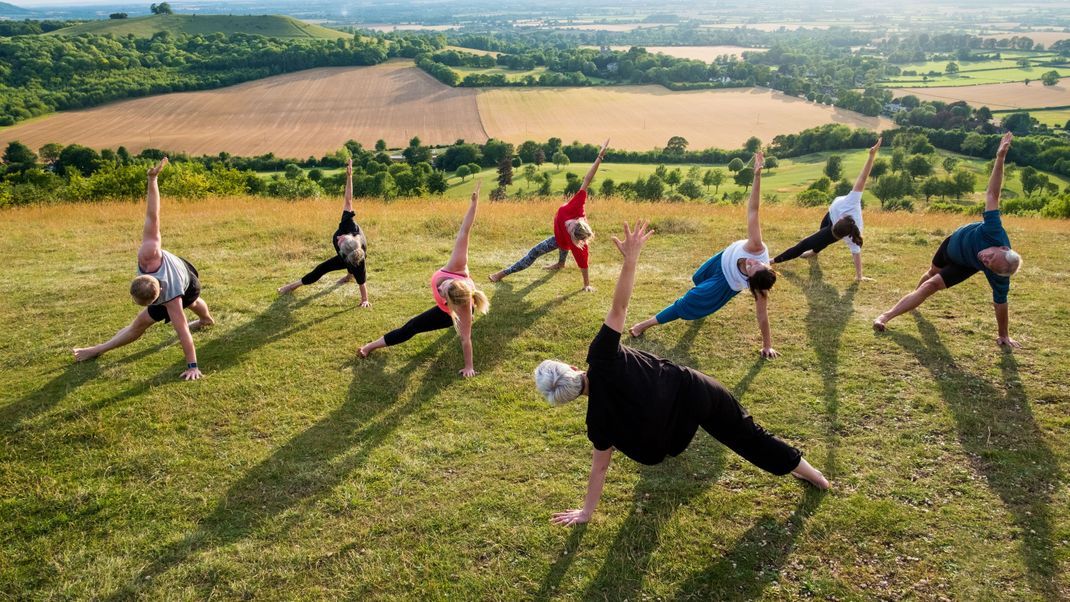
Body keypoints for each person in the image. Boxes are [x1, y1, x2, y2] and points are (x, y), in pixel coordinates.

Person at [534, 221, 828, 526]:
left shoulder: (597, 420)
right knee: (746, 435)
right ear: (571, 367)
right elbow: (619, 307)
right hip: (695, 391)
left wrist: (586, 512)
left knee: (636, 425)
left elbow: (600, 469)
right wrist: (631, 259)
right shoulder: (601, 356)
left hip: (671, 434)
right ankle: (815, 476)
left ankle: (799, 470)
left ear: (567, 399)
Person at [873, 132, 1022, 347]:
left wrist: (1003, 335)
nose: (985, 259)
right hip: (951, 245)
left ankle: (884, 317)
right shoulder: (994, 230)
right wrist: (1000, 158)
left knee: (931, 285)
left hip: (964, 265)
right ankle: (914, 300)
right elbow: (992, 195)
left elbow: (1001, 304)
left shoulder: (999, 274)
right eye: (990, 256)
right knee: (931, 274)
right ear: (1002, 246)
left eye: (988, 264)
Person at [72, 158, 215, 380]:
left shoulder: (172, 300)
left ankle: (97, 349)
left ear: (158, 299)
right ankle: (207, 320)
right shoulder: (149, 254)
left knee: (140, 325)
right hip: (184, 271)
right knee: (193, 302)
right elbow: (152, 215)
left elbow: (183, 331)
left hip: (188, 281)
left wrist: (193, 366)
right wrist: (152, 179)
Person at [629, 152, 781, 358]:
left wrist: (767, 345)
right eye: (759, 263)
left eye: (753, 267)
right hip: (722, 259)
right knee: (697, 279)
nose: (753, 262)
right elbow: (754, 210)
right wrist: (757, 175)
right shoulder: (757, 248)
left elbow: (762, 316)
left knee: (688, 301)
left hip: (725, 283)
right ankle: (702, 306)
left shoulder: (759, 290)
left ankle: (643, 325)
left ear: (751, 282)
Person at [359, 183, 490, 377]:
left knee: (413, 326)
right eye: (447, 285)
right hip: (459, 296)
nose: (442, 287)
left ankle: (370, 347)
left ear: (449, 304)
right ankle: (371, 346)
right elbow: (465, 231)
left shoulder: (462, 309)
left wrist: (469, 367)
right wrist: (474, 203)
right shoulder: (457, 267)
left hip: (455, 311)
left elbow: (466, 340)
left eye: (443, 294)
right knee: (413, 326)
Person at [488, 139, 610, 292]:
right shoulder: (577, 206)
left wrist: (586, 285)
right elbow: (587, 179)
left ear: (574, 237)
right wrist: (600, 157)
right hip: (562, 238)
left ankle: (501, 274)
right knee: (562, 243)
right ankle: (561, 263)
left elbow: (584, 266)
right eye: (571, 223)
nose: (568, 225)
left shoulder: (578, 245)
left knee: (534, 252)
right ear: (578, 221)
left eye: (569, 229)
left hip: (561, 240)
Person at [772, 138, 882, 281]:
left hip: (835, 227)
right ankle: (815, 251)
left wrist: (859, 276)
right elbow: (862, 178)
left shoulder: (852, 235)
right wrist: (871, 156)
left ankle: (777, 259)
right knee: (821, 234)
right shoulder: (852, 202)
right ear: (841, 219)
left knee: (808, 243)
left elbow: (856, 254)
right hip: (830, 214)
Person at [278, 159, 370, 307]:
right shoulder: (349, 225)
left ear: (343, 255)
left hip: (353, 258)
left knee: (324, 268)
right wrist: (349, 176)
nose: (338, 237)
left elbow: (362, 282)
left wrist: (365, 300)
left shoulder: (358, 261)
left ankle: (348, 275)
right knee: (325, 269)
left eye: (339, 241)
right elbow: (349, 199)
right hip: (350, 250)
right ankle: (294, 285)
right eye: (342, 237)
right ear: (351, 235)